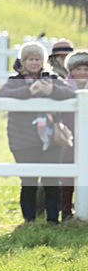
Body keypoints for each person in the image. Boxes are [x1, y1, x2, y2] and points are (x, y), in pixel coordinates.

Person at [0, 41, 75, 224]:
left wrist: (52, 90)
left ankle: (53, 220)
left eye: (37, 59)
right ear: (23, 61)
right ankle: (29, 219)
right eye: (30, 59)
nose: (34, 62)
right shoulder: (14, 80)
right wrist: (28, 91)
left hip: (51, 139)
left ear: (43, 61)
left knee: (52, 182)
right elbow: (2, 96)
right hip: (23, 140)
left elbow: (70, 93)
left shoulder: (52, 78)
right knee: (28, 182)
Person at [59, 50, 88, 221]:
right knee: (67, 176)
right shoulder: (63, 87)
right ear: (71, 70)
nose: (83, 73)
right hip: (69, 138)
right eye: (79, 69)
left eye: (86, 69)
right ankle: (66, 212)